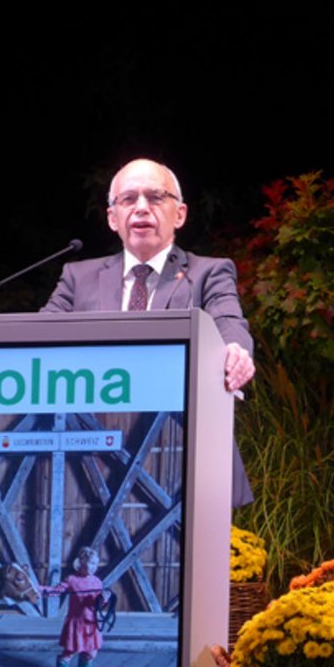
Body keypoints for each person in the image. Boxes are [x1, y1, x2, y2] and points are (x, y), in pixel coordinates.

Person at [41, 158, 255, 505]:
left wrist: (235, 350)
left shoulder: (209, 273)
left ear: (180, 214)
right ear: (112, 218)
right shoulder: (77, 278)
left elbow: (228, 321)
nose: (142, 207)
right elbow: (38, 340)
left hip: (182, 457)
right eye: (128, 199)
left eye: (155, 197)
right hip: (90, 463)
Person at [42, 546, 109, 667]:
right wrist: (40, 590)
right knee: (69, 652)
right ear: (81, 562)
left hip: (92, 622)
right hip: (76, 623)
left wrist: (104, 599)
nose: (93, 567)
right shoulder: (72, 580)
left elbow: (97, 605)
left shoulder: (97, 581)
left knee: (92, 651)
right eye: (91, 563)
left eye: (96, 564)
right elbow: (56, 590)